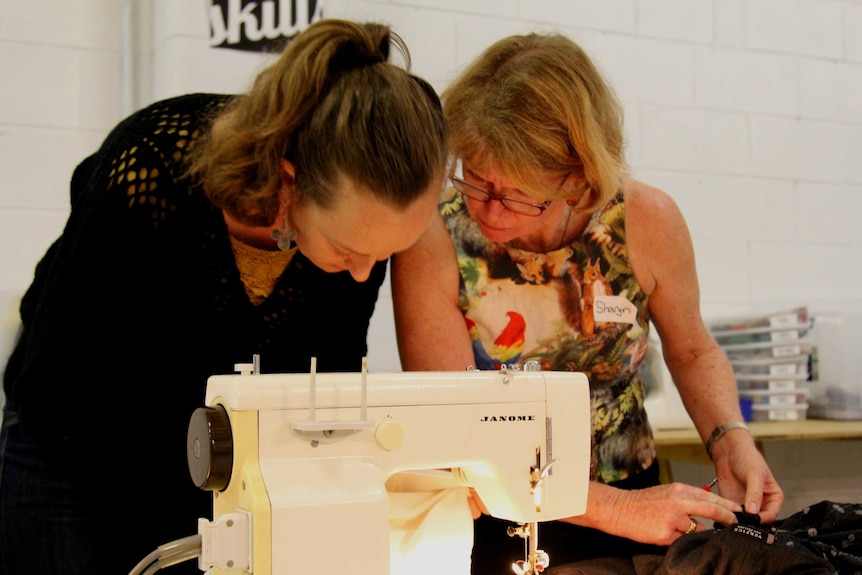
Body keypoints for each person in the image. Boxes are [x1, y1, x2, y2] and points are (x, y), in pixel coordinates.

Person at [0, 18, 448, 575]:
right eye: (349, 249)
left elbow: (312, 393)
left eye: (383, 254)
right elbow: (79, 387)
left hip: (206, 457)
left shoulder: (357, 233)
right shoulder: (150, 170)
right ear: (288, 182)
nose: (362, 276)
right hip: (71, 440)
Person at [391, 31, 785, 574]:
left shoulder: (646, 222)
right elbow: (459, 419)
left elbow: (693, 350)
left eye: (516, 193)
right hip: (487, 512)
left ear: (578, 176)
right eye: (475, 179)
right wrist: (616, 509)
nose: (488, 208)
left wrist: (728, 437)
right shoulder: (432, 230)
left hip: (636, 504)